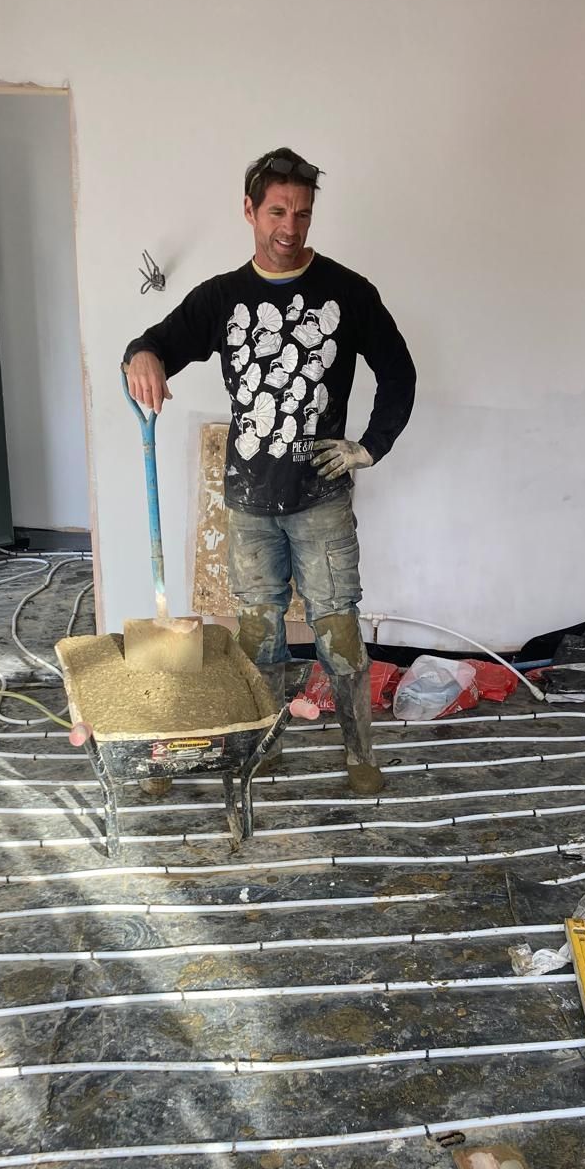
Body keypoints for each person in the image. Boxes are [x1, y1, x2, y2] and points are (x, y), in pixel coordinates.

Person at [122, 148, 417, 794]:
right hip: (251, 498)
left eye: (303, 214)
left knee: (336, 625)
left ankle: (361, 754)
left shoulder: (348, 291)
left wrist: (371, 445)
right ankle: (266, 743)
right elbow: (158, 344)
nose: (290, 226)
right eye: (278, 211)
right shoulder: (223, 297)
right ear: (250, 210)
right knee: (259, 634)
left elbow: (398, 370)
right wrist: (142, 356)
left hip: (321, 496)